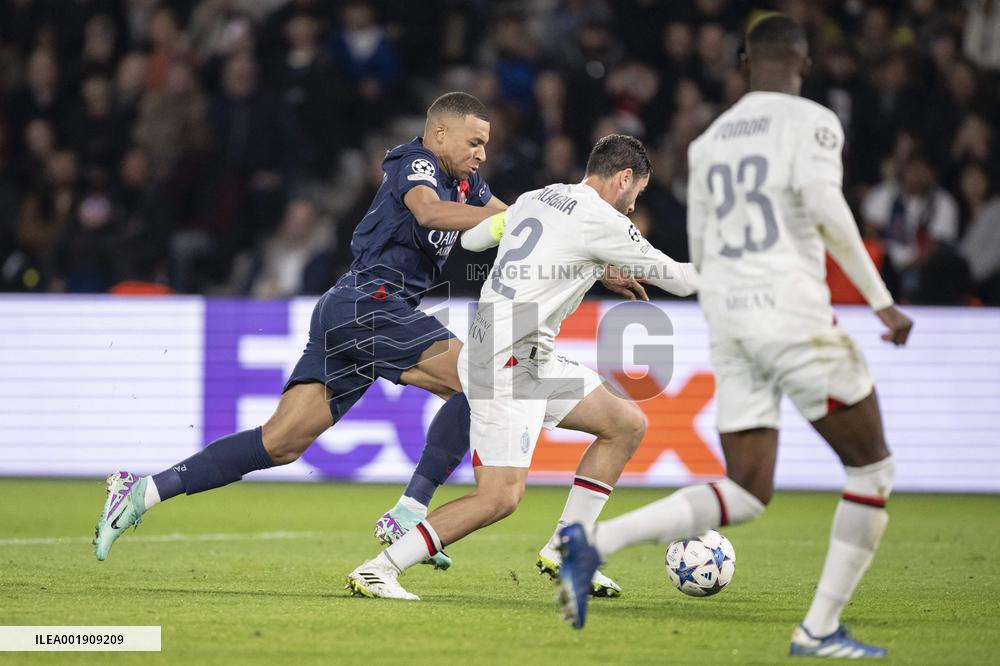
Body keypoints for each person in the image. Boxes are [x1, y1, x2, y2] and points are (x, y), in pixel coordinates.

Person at [557, 15, 913, 659]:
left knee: (747, 490)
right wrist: (881, 302)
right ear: (803, 64)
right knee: (872, 467)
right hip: (793, 314)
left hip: (732, 322)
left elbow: (707, 244)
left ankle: (594, 543)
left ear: (744, 64)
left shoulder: (707, 141)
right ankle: (819, 630)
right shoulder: (814, 120)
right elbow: (828, 209)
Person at [92, 92, 508, 568]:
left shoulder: (467, 185)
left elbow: (519, 221)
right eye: (474, 143)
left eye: (485, 144)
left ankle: (143, 491)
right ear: (440, 134)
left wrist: (569, 240)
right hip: (369, 303)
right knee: (482, 380)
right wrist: (511, 217)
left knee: (280, 443)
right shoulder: (415, 161)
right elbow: (430, 212)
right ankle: (410, 510)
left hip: (353, 311)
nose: (482, 154)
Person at [345, 134, 698, 600]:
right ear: (624, 178)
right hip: (508, 360)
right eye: (637, 193)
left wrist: (591, 264)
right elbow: (681, 280)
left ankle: (567, 549)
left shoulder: (539, 197)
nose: (633, 205)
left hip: (521, 350)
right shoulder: (603, 220)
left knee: (625, 424)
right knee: (499, 497)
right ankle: (380, 568)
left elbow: (474, 239)